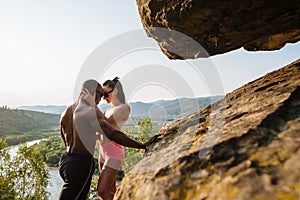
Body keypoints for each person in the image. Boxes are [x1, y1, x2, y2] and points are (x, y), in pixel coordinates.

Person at [58, 79, 152, 200]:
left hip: (66, 161)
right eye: (100, 96)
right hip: (81, 164)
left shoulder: (66, 112)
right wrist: (142, 145)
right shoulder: (90, 110)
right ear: (92, 93)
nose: (99, 101)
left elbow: (65, 137)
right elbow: (113, 133)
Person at [97, 77, 130, 200]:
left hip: (114, 151)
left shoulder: (124, 108)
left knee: (102, 190)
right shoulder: (107, 110)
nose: (103, 98)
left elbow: (105, 124)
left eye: (105, 94)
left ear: (115, 91)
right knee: (111, 189)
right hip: (102, 150)